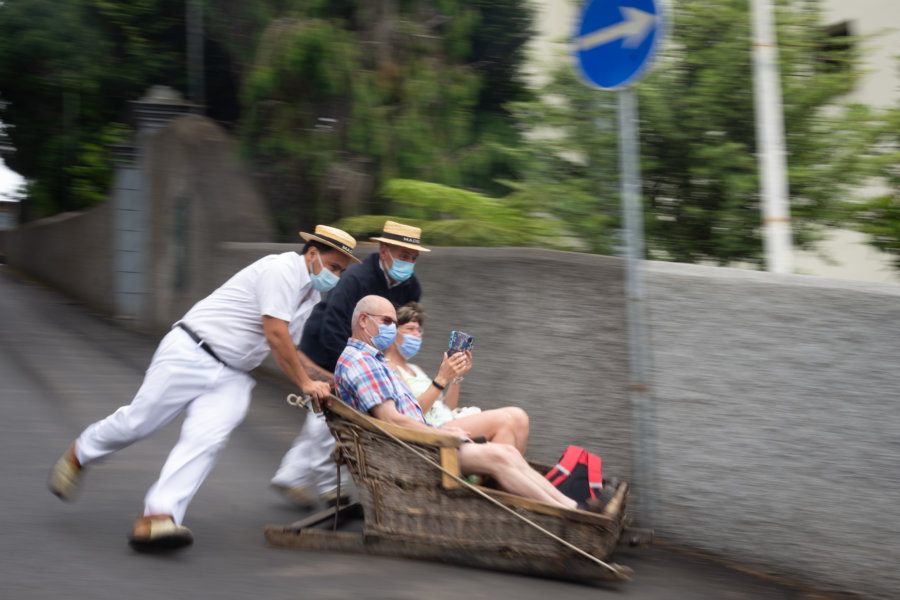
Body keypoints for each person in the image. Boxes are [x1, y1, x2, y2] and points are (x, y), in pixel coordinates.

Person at [48, 225, 361, 551]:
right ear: (312, 254)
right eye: (334, 267)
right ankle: (79, 453)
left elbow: (292, 351)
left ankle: (157, 517)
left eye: (341, 271)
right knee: (138, 422)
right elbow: (276, 336)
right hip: (192, 350)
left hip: (233, 375)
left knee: (205, 441)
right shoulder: (281, 270)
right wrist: (306, 384)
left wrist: (329, 380)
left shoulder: (309, 296)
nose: (336, 277)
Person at [334, 295, 597, 511]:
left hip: (421, 440)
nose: (392, 327)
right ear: (364, 321)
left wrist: (451, 395)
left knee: (508, 452)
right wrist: (442, 434)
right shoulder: (362, 363)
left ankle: (570, 506)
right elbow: (390, 419)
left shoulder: (373, 361)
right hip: (413, 450)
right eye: (387, 321)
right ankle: (569, 511)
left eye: (395, 322)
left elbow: (407, 415)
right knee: (499, 454)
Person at [270, 220, 427, 507]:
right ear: (384, 251)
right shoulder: (357, 278)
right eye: (403, 255)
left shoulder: (411, 287)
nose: (408, 263)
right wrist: (348, 371)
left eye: (413, 258)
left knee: (323, 419)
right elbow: (333, 325)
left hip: (367, 358)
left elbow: (398, 327)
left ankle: (291, 476)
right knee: (326, 418)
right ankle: (332, 489)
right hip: (327, 349)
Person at [384, 301, 530, 453]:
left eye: (419, 331)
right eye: (410, 329)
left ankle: (515, 469)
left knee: (519, 416)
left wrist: (455, 378)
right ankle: (499, 470)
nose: (417, 335)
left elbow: (446, 408)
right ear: (393, 333)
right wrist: (441, 379)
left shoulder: (415, 369)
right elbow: (411, 413)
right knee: (503, 421)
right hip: (432, 430)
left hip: (448, 420)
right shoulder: (389, 368)